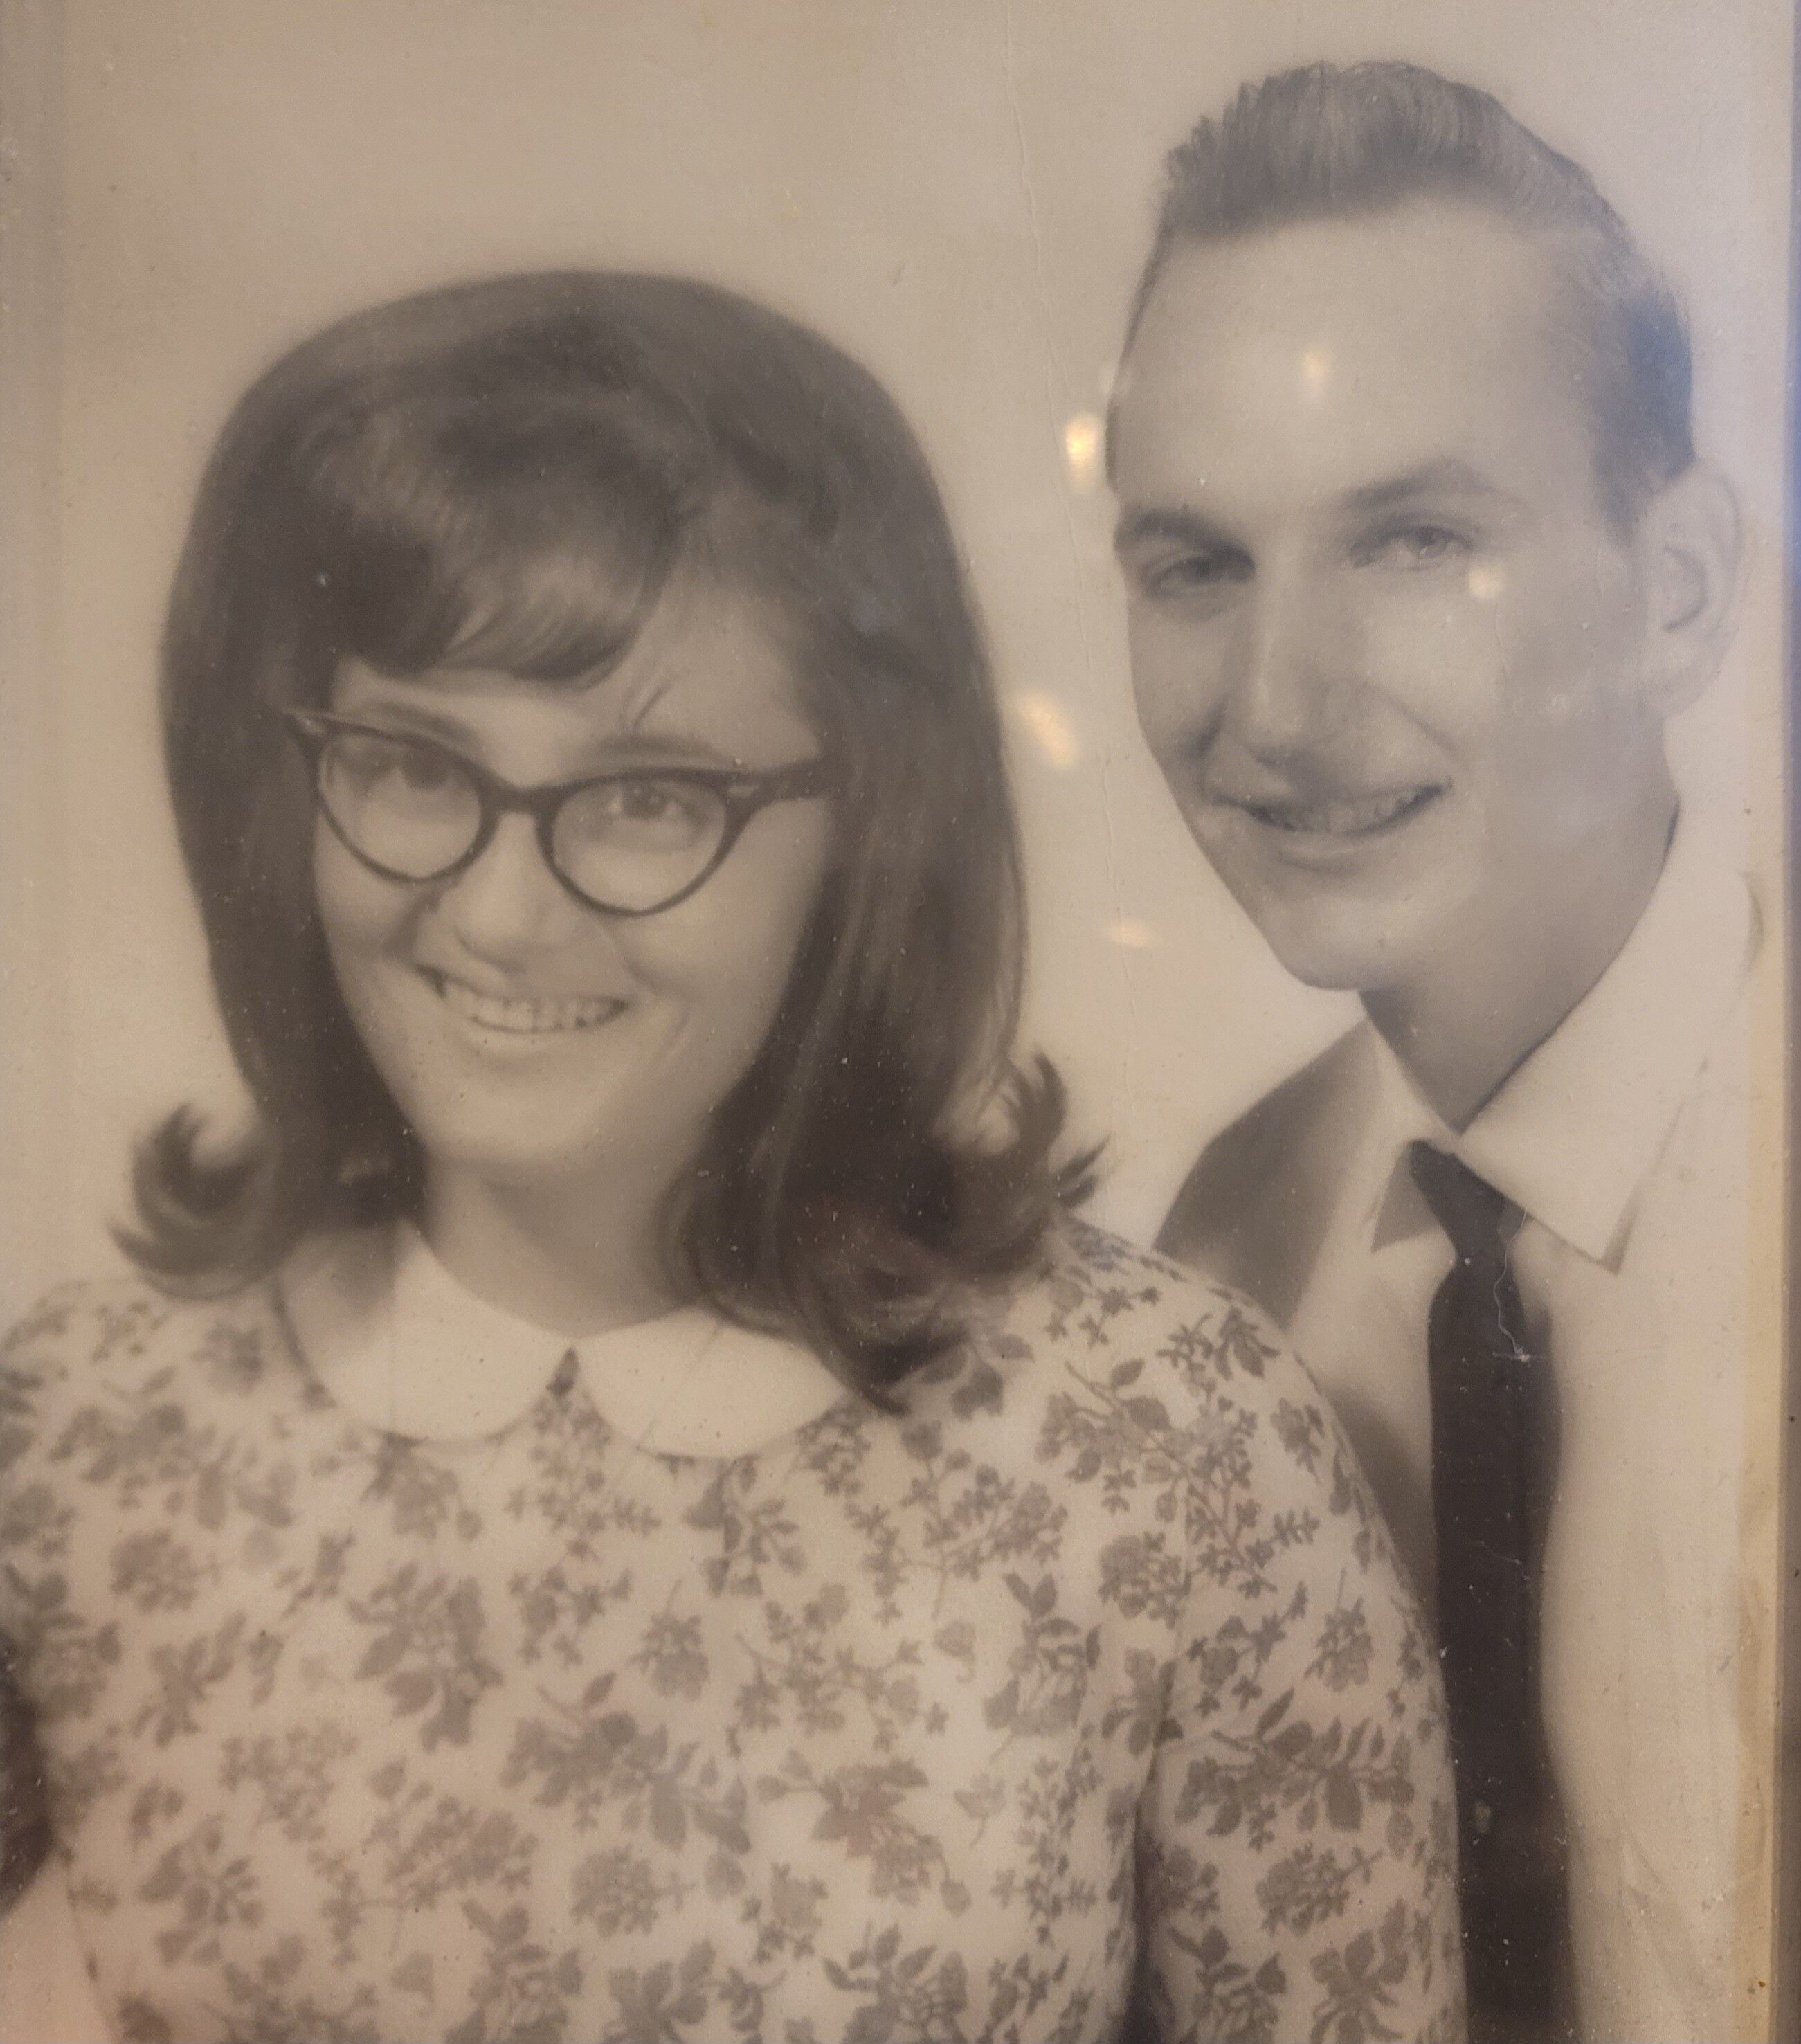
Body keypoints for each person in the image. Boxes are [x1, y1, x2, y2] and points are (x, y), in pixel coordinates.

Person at [0, 272, 1462, 2043]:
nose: (500, 912)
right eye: (410, 766)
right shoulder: (77, 1444)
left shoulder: (1174, 1455)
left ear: (865, 830)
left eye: (647, 798)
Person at [1107, 59, 1762, 2044]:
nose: (1274, 705)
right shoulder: (1228, 1248)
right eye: (1194, 565)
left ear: (1675, 596)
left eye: (1409, 540)